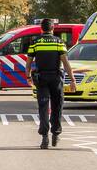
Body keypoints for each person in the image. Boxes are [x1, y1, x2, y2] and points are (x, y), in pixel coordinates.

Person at [26, 18, 73, 149]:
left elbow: (29, 61)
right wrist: (72, 80)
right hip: (56, 78)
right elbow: (65, 63)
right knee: (57, 106)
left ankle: (44, 137)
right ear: (53, 29)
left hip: (41, 78)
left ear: (41, 29)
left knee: (43, 107)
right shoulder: (59, 42)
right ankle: (56, 134)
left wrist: (27, 76)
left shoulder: (35, 42)